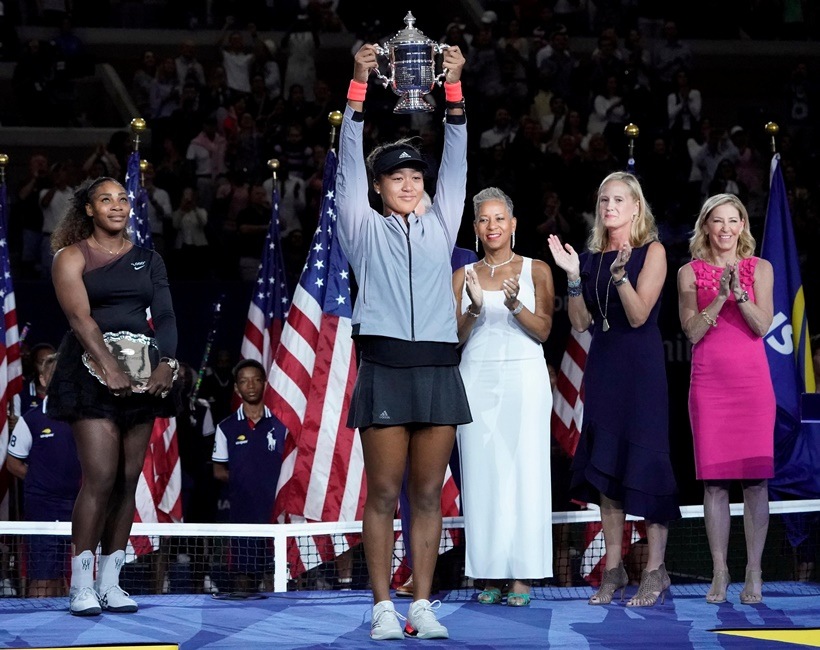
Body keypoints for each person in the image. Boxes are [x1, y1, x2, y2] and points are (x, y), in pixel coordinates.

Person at [336, 43, 468, 641]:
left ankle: (421, 603)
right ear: (379, 186)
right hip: (386, 364)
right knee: (384, 493)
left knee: (427, 495)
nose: (409, 183)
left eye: (417, 176)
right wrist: (359, 85)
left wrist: (456, 89)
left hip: (439, 368)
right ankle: (383, 607)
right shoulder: (361, 228)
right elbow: (347, 164)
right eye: (397, 177)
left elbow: (459, 160)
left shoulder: (443, 223)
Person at [46, 176, 178, 616]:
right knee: (100, 477)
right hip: (88, 374)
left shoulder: (148, 259)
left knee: (127, 478)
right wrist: (106, 366)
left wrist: (168, 362)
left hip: (143, 378)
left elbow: (165, 314)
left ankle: (111, 582)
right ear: (89, 209)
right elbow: (80, 319)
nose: (117, 206)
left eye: (123, 199)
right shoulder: (71, 256)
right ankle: (81, 585)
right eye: (106, 200)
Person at [547, 171, 679, 608]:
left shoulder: (653, 251)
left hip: (640, 373)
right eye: (604, 199)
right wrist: (571, 277)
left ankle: (656, 570)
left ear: (636, 207)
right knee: (606, 472)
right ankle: (615, 568)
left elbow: (640, 316)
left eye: (619, 200)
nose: (609, 207)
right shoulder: (590, 257)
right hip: (603, 369)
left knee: (646, 466)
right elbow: (581, 322)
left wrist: (621, 277)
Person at [454, 187, 555, 607]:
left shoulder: (536, 270)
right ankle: (488, 574)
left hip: (525, 381)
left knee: (526, 474)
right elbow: (453, 339)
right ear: (476, 228)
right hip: (475, 381)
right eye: (483, 219)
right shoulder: (463, 276)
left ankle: (522, 576)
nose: (492, 226)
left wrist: (514, 306)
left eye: (499, 218)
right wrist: (475, 308)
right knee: (482, 477)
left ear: (513, 224)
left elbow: (544, 330)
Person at [677, 193, 775, 604]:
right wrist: (718, 295)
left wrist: (740, 293)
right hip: (709, 387)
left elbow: (763, 326)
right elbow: (693, 332)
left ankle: (754, 572)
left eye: (732, 221)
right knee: (714, 485)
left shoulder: (761, 268)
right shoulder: (688, 273)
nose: (725, 229)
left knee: (755, 484)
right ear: (706, 227)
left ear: (742, 226)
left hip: (752, 387)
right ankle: (720, 571)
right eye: (717, 221)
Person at [6, 353, 82, 597]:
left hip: (79, 508)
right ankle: (36, 630)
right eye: (54, 374)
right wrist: (41, 481)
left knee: (75, 581)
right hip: (43, 510)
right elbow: (12, 463)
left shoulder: (84, 420)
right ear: (42, 379)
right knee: (43, 579)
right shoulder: (31, 420)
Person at [211, 360, 285, 593]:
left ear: (265, 383)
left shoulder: (283, 424)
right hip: (243, 514)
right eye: (244, 381)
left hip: (278, 513)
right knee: (243, 576)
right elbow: (218, 470)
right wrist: (247, 481)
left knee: (279, 573)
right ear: (236, 388)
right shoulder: (226, 427)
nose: (250, 385)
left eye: (256, 379)